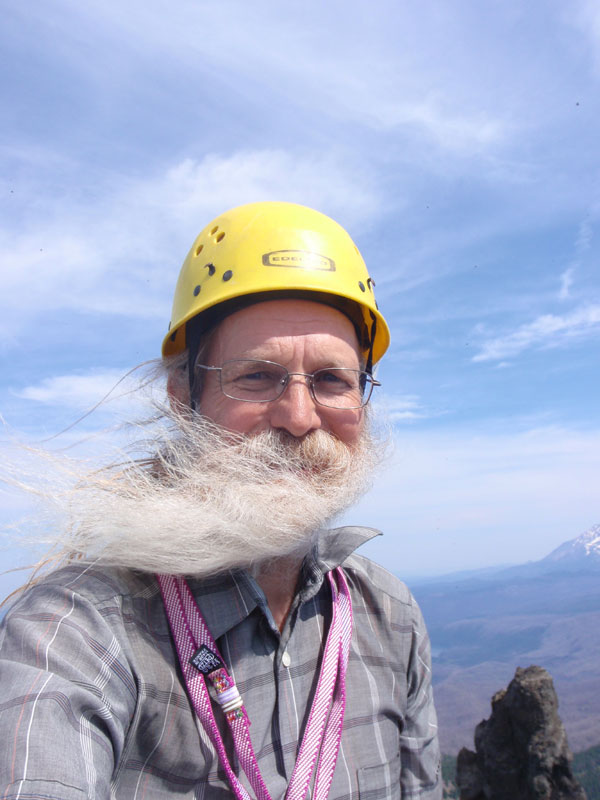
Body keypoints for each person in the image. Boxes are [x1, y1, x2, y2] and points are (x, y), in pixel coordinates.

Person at [0, 202, 441, 799]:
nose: (299, 417)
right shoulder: (74, 632)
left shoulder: (388, 615)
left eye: (333, 380)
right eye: (256, 376)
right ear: (185, 398)